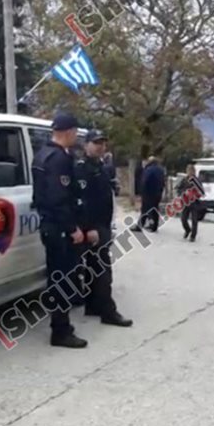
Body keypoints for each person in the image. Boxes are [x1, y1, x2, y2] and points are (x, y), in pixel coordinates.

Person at [31, 112, 87, 348]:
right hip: (59, 228)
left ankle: (61, 326)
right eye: (75, 133)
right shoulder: (59, 159)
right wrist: (73, 228)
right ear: (69, 132)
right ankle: (61, 331)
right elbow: (59, 199)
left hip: (49, 225)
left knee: (56, 278)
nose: (76, 137)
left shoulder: (42, 154)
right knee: (63, 280)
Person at [75, 129, 133, 327]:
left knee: (94, 266)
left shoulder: (103, 167)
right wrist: (89, 228)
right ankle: (108, 312)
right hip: (92, 227)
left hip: (104, 224)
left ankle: (93, 305)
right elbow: (83, 201)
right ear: (86, 145)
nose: (100, 146)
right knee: (103, 270)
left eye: (103, 143)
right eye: (96, 142)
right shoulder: (81, 169)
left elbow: (106, 197)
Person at [132, 156, 166, 232]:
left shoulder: (149, 169)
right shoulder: (161, 169)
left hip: (148, 193)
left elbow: (144, 181)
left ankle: (140, 225)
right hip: (158, 193)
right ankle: (154, 226)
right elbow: (163, 182)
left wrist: (141, 192)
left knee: (145, 209)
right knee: (154, 209)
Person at [177, 164, 205, 242]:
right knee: (183, 219)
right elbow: (179, 188)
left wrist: (194, 195)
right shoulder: (184, 179)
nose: (189, 172)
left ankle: (193, 236)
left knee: (194, 220)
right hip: (186, 202)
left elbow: (201, 191)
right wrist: (183, 193)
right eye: (188, 170)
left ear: (193, 171)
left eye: (190, 171)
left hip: (194, 202)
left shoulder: (196, 180)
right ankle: (187, 230)